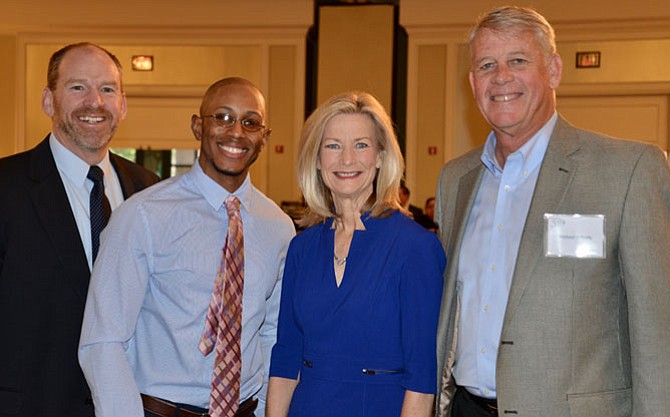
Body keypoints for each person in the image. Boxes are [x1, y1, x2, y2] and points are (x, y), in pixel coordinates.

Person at [435, 6, 670, 417]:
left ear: (555, 70)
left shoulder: (628, 171)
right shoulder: (457, 179)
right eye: (486, 65)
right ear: (472, 82)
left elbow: (658, 334)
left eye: (518, 61)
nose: (501, 76)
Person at [78, 77, 295, 417]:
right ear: (198, 126)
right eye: (222, 117)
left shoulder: (278, 227)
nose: (236, 132)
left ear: (264, 138)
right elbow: (103, 340)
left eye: (250, 122)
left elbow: (271, 332)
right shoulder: (142, 215)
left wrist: (267, 409)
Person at [0, 42, 159, 417]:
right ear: (48, 101)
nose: (95, 103)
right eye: (77, 88)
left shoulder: (148, 189)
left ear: (122, 104)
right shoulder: (6, 188)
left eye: (107, 89)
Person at [266, 91, 445, 417]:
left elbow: (422, 377)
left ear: (380, 156)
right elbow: (286, 355)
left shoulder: (416, 247)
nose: (346, 159)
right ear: (317, 160)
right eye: (333, 145)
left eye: (361, 145)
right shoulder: (301, 248)